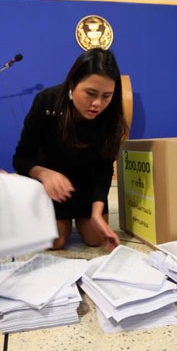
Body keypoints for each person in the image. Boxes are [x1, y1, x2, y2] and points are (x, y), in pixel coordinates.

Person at [13, 48, 127, 252]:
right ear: (73, 84)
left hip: (86, 185)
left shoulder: (110, 116)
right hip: (53, 188)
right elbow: (21, 158)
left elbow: (104, 169)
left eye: (106, 96)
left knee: (96, 239)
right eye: (91, 93)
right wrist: (44, 174)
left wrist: (96, 213)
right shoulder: (46, 102)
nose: (97, 104)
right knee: (55, 243)